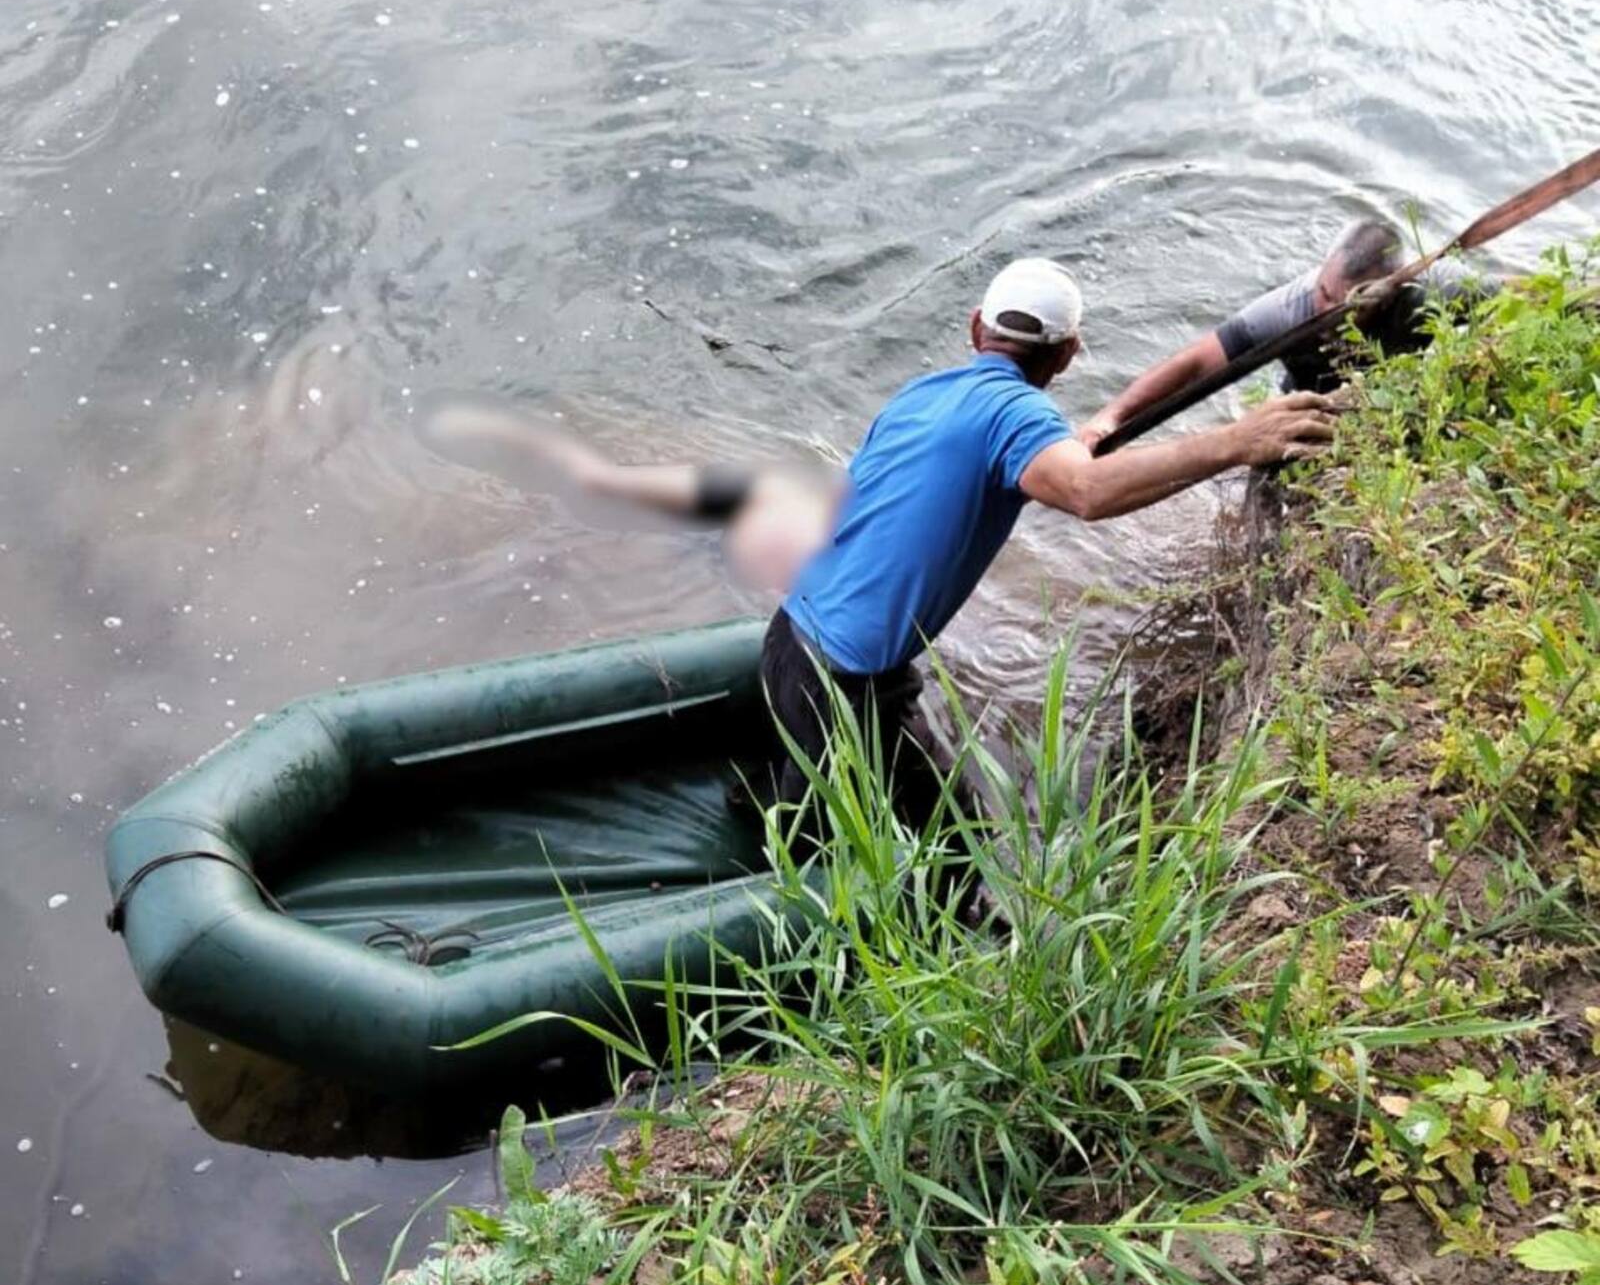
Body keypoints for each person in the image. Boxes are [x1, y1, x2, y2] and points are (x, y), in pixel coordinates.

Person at [423, 256, 1335, 841]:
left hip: (791, 641)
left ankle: (769, 813)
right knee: (901, 859)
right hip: (844, 681)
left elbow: (951, 485)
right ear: (1066, 356)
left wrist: (1078, 440)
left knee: (854, 804)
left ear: (975, 330)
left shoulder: (924, 396)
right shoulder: (1018, 415)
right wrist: (1236, 440)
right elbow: (1086, 494)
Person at [1077, 218, 1474, 453]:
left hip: (1396, 390)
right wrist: (1110, 418)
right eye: (1322, 292)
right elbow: (1197, 362)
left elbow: (1522, 298)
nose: (1324, 310)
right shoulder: (1287, 312)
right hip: (1308, 395)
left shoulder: (1433, 294)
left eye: (1343, 304)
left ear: (1384, 297)